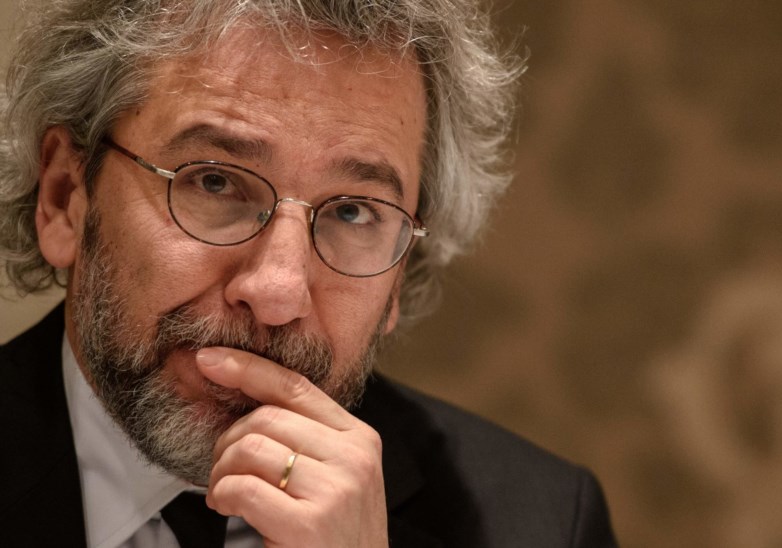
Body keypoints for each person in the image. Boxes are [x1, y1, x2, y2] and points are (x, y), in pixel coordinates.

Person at [0, 0, 617, 546]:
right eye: (213, 182)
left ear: (400, 274)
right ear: (65, 196)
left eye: (353, 212)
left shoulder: (543, 523)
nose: (278, 293)